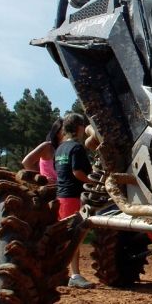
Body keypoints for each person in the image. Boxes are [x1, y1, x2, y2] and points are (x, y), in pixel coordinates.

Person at [55, 112, 95, 289]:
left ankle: (63, 274)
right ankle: (75, 275)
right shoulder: (77, 148)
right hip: (72, 196)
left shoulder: (60, 148)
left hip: (61, 195)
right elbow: (77, 172)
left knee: (65, 237)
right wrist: (94, 181)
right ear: (80, 127)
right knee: (74, 238)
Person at [22, 118, 64, 185]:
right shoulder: (47, 146)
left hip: (63, 189)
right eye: (66, 130)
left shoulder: (67, 149)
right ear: (57, 132)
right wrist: (41, 178)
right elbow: (26, 162)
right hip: (46, 190)